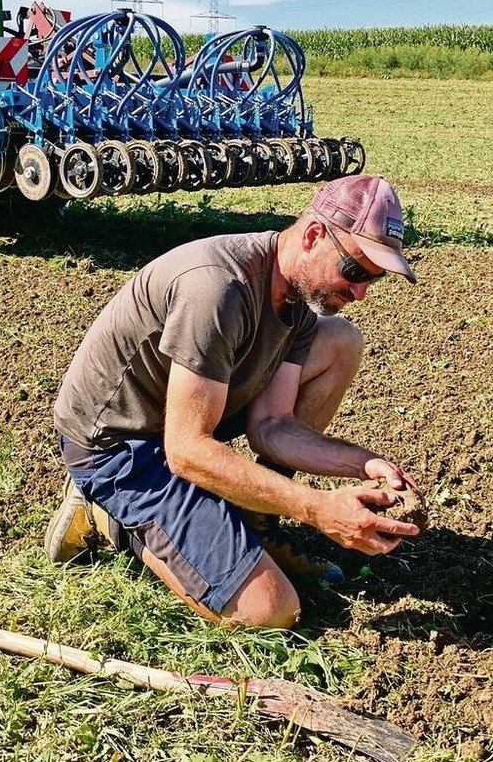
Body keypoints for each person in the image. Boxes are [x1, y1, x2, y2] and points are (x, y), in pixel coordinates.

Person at [43, 174, 423, 629]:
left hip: (187, 413)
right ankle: (107, 512)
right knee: (271, 610)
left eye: (373, 279)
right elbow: (185, 450)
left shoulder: (300, 296)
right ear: (314, 235)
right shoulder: (217, 288)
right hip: (121, 446)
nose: (360, 291)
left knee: (339, 341)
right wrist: (314, 507)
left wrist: (364, 464)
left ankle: (256, 519)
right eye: (356, 271)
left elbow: (272, 425)